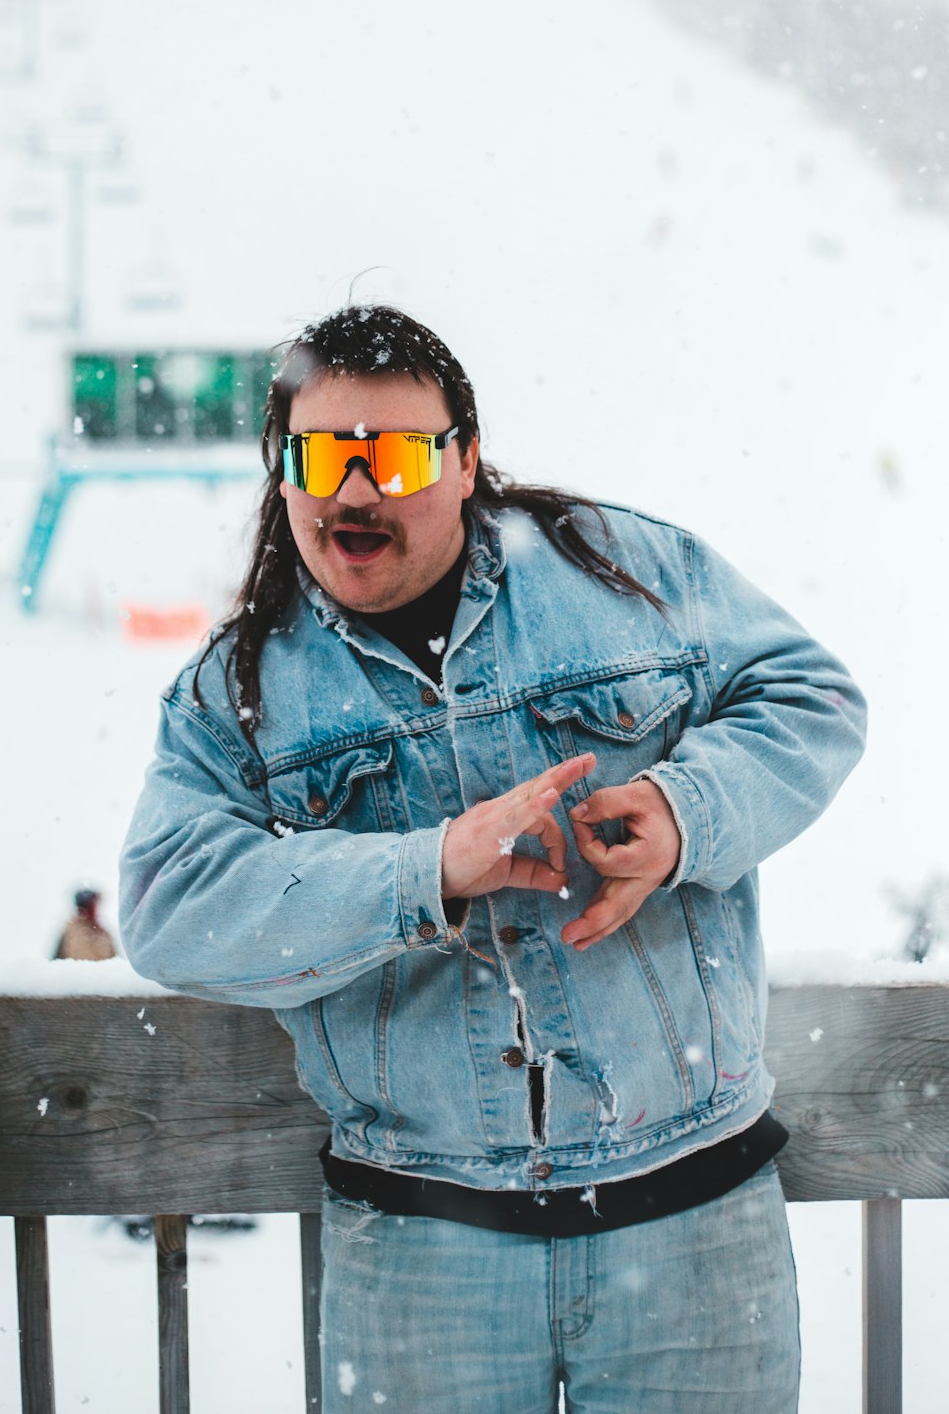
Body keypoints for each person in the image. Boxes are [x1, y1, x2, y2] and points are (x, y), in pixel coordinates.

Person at [120, 305, 866, 1413]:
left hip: (691, 1223)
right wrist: (421, 872)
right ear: (280, 473)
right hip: (420, 1255)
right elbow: (171, 907)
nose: (357, 490)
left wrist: (682, 812)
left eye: (399, 452)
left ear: (465, 459)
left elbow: (812, 700)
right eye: (322, 454)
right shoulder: (238, 692)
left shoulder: (623, 571)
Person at [54, 887, 116, 961]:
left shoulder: (103, 933)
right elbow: (56, 960)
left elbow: (114, 960)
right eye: (91, 905)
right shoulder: (69, 932)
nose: (95, 909)